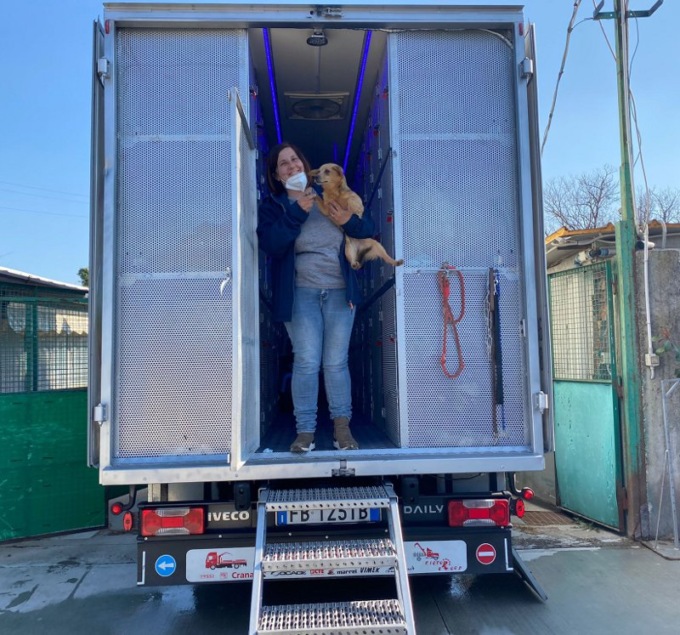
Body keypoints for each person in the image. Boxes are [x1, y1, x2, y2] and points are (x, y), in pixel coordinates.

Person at [257, 142, 375, 453]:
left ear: (304, 163)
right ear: (276, 175)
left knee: (336, 363)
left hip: (339, 291)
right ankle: (305, 433)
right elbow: (271, 244)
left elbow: (368, 228)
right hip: (301, 293)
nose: (292, 166)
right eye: (283, 164)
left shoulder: (331, 194)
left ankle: (342, 430)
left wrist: (348, 221)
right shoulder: (274, 206)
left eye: (295, 159)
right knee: (307, 362)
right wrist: (296, 213)